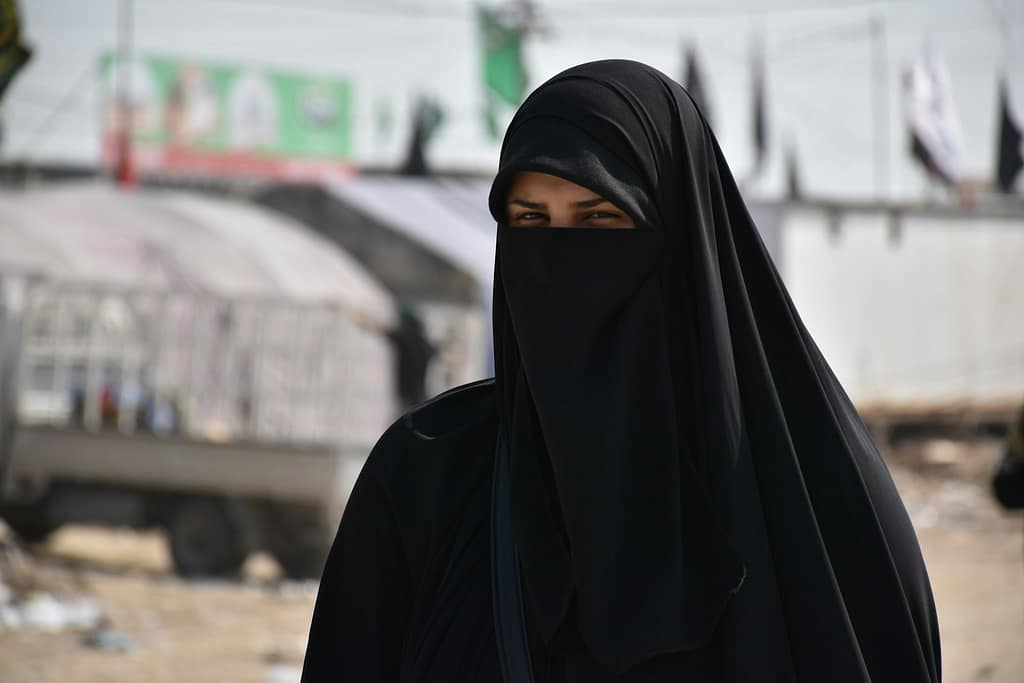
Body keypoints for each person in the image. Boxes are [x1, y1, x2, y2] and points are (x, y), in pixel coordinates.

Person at [301, 60, 940, 682]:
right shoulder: (429, 480)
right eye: (529, 220)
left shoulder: (814, 498)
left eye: (599, 219)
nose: (556, 259)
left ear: (683, 238)